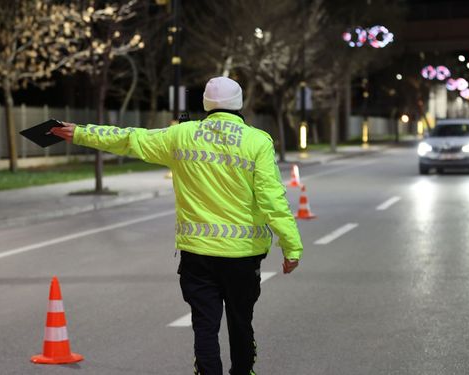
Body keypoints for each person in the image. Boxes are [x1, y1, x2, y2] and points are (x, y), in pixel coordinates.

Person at [51, 76, 303, 375]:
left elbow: (130, 139)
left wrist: (80, 133)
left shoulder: (181, 135)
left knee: (205, 328)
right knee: (241, 323)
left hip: (197, 256)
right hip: (243, 257)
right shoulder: (257, 141)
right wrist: (291, 246)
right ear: (239, 104)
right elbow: (273, 199)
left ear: (206, 104)